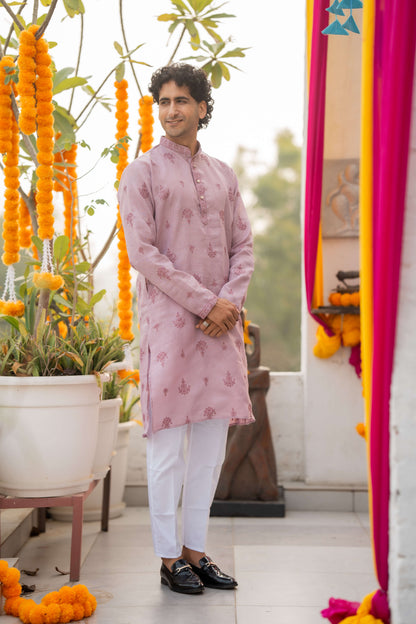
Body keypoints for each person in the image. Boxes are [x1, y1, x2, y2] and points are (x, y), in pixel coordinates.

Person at [118, 63, 255, 595]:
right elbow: (143, 253)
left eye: (182, 101)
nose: (171, 110)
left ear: (202, 107)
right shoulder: (142, 172)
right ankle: (168, 555)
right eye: (165, 101)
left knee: (210, 446)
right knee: (168, 448)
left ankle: (196, 551)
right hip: (174, 326)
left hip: (220, 329)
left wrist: (230, 303)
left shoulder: (223, 173)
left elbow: (243, 244)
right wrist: (208, 302)